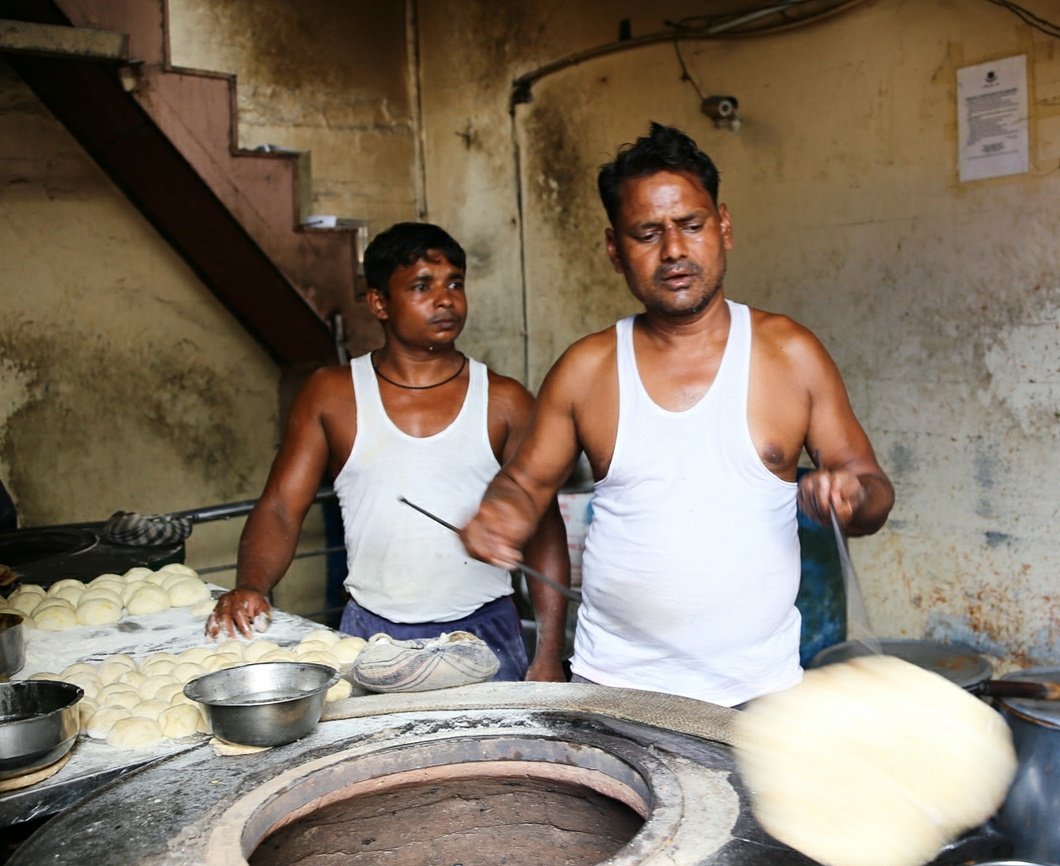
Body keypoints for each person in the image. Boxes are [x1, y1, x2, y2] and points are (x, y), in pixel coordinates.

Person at [461, 123, 894, 705]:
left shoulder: (790, 354)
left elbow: (872, 492)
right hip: (614, 683)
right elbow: (525, 486)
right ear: (615, 250)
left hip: (759, 689)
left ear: (724, 226)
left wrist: (852, 495)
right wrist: (498, 516)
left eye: (691, 226)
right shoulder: (587, 370)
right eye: (647, 233)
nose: (673, 251)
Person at [206, 222, 570, 682]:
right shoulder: (332, 395)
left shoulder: (505, 401)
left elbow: (544, 527)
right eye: (422, 286)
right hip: (371, 636)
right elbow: (280, 507)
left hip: (487, 633)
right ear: (379, 302)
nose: (445, 300)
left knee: (491, 755)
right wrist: (251, 584)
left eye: (454, 284)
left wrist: (549, 652)